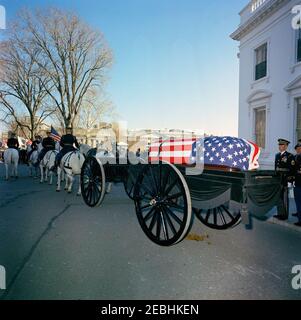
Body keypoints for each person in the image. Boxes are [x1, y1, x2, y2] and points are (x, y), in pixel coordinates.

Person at [274, 138, 295, 220]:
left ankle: (285, 215)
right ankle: (280, 213)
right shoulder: (277, 155)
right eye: (279, 145)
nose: (280, 146)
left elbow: (292, 169)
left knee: (284, 197)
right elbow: (276, 168)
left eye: (282, 145)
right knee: (278, 198)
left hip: (285, 179)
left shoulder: (290, 156)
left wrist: (290, 180)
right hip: (278, 180)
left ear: (286, 146)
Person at [293, 142, 301, 226]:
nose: (298, 150)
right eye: (297, 149)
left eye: (300, 149)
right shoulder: (295, 157)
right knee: (297, 200)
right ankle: (298, 213)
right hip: (296, 182)